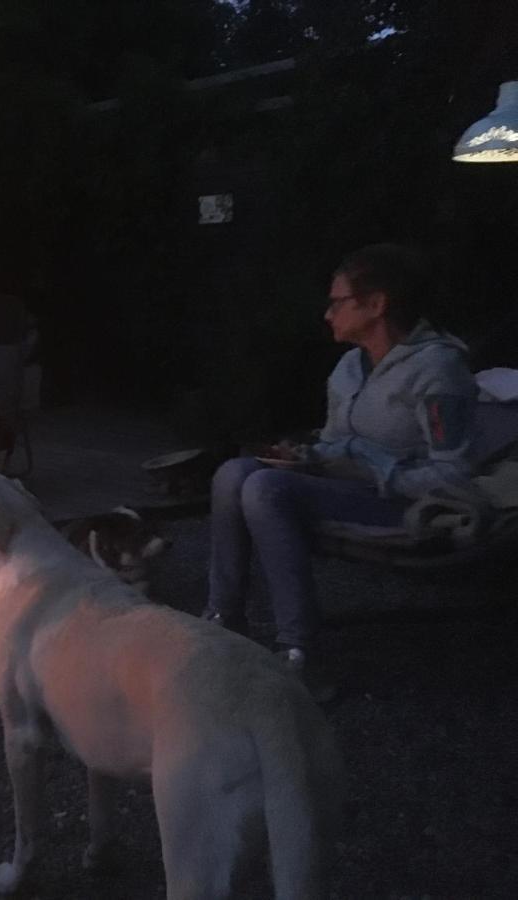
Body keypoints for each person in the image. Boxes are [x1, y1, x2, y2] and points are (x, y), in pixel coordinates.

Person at [201, 243, 478, 701]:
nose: (328, 314)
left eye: (337, 302)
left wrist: (369, 465)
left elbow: (452, 476)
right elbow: (332, 444)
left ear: (376, 304)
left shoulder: (438, 370)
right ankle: (222, 623)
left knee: (266, 488)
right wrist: (307, 455)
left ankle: (300, 653)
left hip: (403, 504)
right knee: (233, 473)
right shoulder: (349, 368)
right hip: (344, 487)